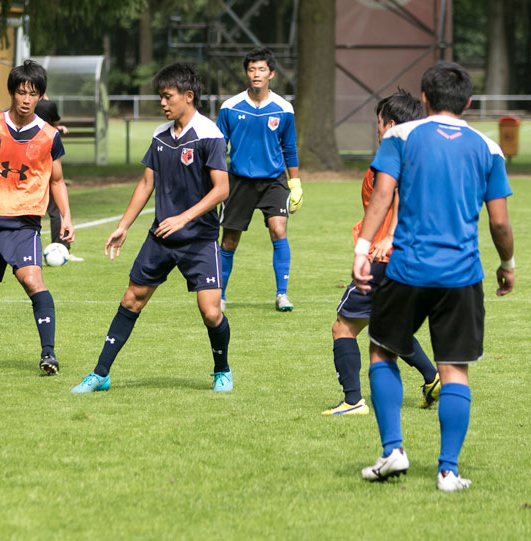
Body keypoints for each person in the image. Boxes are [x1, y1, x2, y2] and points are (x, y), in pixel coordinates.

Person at [351, 62, 515, 492]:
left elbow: (383, 194)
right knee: (455, 369)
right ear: (469, 103)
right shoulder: (488, 148)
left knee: (382, 352)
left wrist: (362, 249)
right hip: (462, 276)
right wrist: (507, 264)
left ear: (423, 99)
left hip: (407, 268)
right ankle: (447, 471)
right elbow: (499, 222)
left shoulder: (400, 136)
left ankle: (393, 451)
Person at [71, 63, 231, 394]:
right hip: (161, 237)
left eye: (167, 96)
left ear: (188, 96)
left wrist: (183, 218)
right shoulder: (160, 135)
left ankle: (222, 369)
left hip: (199, 239)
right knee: (132, 299)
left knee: (211, 312)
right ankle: (101, 373)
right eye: (160, 96)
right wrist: (123, 226)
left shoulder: (209, 134)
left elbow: (221, 190)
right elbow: (147, 183)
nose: (162, 102)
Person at [0, 60, 74, 375]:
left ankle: (49, 355)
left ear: (40, 96)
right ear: (12, 92)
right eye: (20, 92)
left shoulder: (48, 135)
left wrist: (66, 219)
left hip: (23, 222)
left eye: (32, 94)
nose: (25, 99)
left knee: (32, 280)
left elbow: (57, 180)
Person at [323, 89, 440, 416]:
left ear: (389, 123)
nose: (375, 129)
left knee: (343, 327)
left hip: (384, 259)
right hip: (415, 258)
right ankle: (432, 378)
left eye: (377, 122)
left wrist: (388, 235)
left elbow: (397, 194)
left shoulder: (393, 155)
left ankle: (352, 401)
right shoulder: (423, 155)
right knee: (389, 328)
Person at [216, 47, 301, 312]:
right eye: (252, 69)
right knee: (229, 241)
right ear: (246, 73)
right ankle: (219, 295)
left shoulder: (284, 109)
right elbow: (219, 147)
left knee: (278, 230)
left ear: (271, 74)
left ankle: (282, 294)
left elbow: (289, 148)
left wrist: (295, 183)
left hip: (274, 181)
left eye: (262, 69)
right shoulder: (229, 107)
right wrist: (216, 181)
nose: (256, 74)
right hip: (239, 181)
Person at [34, 97, 83, 262]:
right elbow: (51, 124)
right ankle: (61, 247)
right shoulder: (48, 105)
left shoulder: (23, 107)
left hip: (28, 164)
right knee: (56, 210)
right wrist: (57, 127)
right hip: (46, 162)